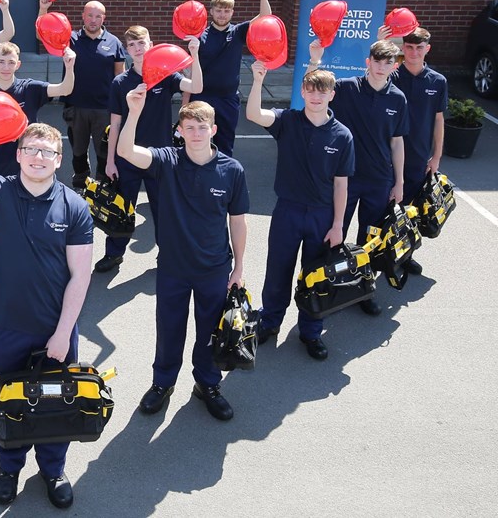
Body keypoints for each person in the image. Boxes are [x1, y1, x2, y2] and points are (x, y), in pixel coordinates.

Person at [0, 120, 93, 509]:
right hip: (6, 327)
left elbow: (80, 276)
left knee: (56, 403)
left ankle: (53, 470)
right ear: (18, 155)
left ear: (59, 159)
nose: (38, 157)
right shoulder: (0, 192)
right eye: (31, 150)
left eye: (47, 151)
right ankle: (8, 469)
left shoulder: (75, 207)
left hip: (54, 329)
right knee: (9, 405)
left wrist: (63, 333)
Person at [117, 87, 248, 420]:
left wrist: (239, 267)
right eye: (189, 127)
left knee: (210, 331)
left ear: (213, 129)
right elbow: (126, 151)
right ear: (180, 130)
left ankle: (207, 384)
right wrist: (134, 111)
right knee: (169, 329)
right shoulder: (167, 160)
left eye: (202, 127)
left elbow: (238, 222)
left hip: (214, 268)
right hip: (173, 267)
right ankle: (162, 383)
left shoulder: (232, 170)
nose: (196, 133)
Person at [246, 61, 354, 361]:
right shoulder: (288, 121)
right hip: (288, 210)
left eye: (322, 91)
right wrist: (258, 81)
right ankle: (270, 321)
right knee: (278, 269)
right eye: (310, 90)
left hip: (322, 215)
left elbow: (341, 185)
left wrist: (338, 224)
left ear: (332, 95)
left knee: (316, 275)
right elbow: (253, 114)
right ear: (302, 93)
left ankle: (311, 330)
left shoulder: (342, 135)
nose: (316, 97)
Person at [309, 38, 408, 316]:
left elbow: (397, 142)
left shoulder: (397, 99)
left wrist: (399, 182)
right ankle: (328, 287)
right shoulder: (345, 88)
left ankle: (364, 288)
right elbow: (313, 87)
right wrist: (315, 60)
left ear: (394, 66)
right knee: (334, 233)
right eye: (377, 61)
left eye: (388, 62)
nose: (381, 67)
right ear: (368, 62)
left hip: (379, 179)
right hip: (344, 177)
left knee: (370, 238)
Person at [0, 41, 76, 301]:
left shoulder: (30, 88)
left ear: (18, 64)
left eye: (11, 62)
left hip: (30, 172)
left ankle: (29, 281)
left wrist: (69, 66)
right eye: (1, 61)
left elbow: (65, 89)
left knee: (32, 229)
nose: (6, 67)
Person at [96, 25, 202, 273]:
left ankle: (167, 255)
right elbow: (115, 124)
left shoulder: (165, 76)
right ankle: (114, 253)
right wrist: (110, 161)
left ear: (151, 45)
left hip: (160, 158)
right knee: (121, 209)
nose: (137, 48)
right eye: (131, 45)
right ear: (126, 50)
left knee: (164, 211)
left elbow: (196, 87)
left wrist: (195, 55)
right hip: (127, 157)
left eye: (141, 43)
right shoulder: (120, 82)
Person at [37, 0, 127, 187]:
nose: (93, 20)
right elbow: (42, 34)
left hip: (104, 108)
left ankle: (102, 186)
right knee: (78, 150)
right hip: (76, 106)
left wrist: (122, 104)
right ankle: (81, 181)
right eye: (90, 15)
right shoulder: (70, 39)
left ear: (104, 18)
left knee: (104, 151)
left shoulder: (114, 42)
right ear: (83, 17)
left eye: (98, 16)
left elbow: (120, 75)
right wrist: (43, 10)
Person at [187, 0, 271, 157]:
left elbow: (265, 18)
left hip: (228, 99)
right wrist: (186, 102)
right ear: (211, 11)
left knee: (225, 145)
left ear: (232, 12)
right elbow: (190, 72)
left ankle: (222, 172)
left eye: (226, 11)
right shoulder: (200, 36)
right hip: (202, 96)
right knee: (196, 143)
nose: (222, 14)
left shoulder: (238, 32)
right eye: (218, 10)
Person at [392, 27, 447, 276]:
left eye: (419, 48)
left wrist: (436, 156)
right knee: (382, 210)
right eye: (409, 47)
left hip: (418, 158)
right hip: (387, 157)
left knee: (411, 211)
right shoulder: (392, 76)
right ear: (403, 48)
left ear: (427, 49)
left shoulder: (437, 81)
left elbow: (438, 120)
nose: (414, 52)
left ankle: (406, 256)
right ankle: (375, 257)